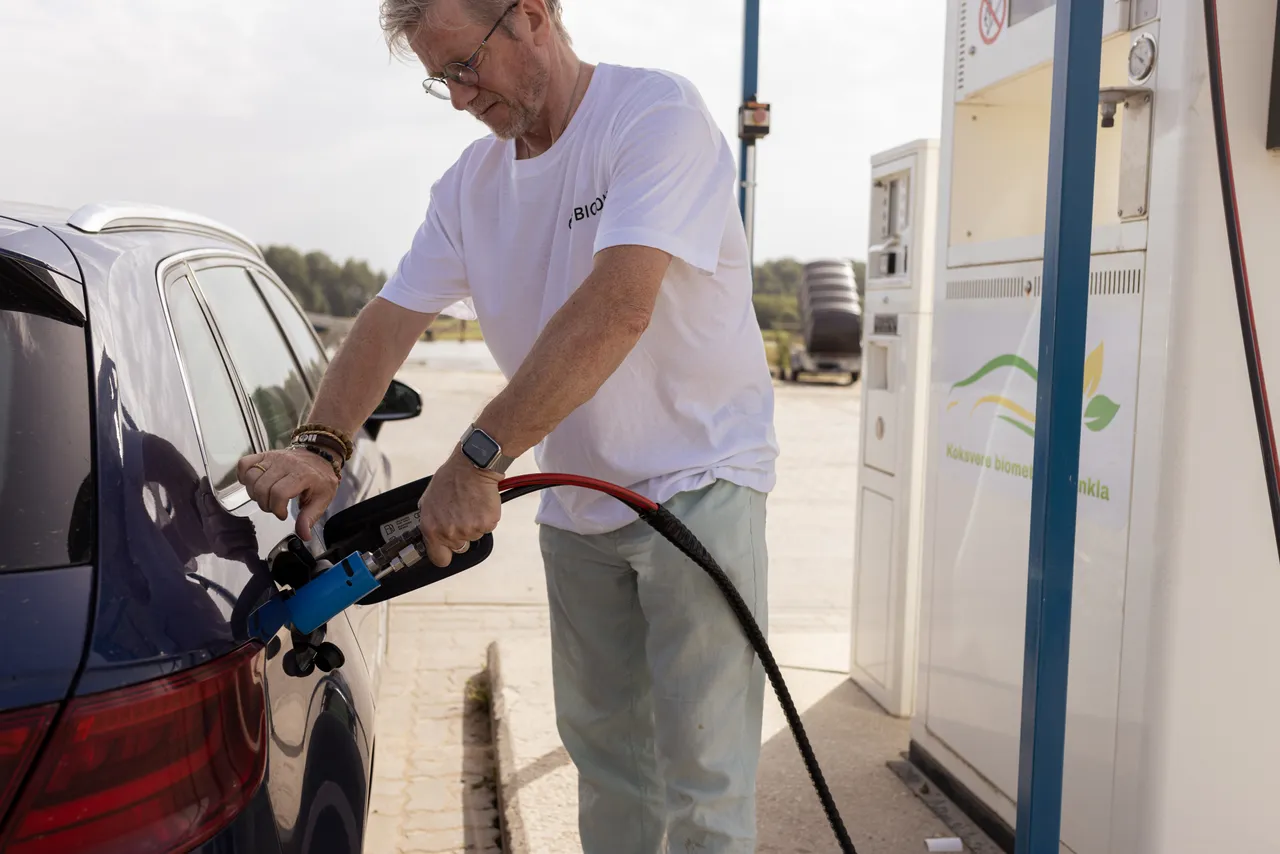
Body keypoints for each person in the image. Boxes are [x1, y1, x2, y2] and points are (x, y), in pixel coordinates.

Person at [235, 0, 779, 850]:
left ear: (531, 16)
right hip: (582, 504)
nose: (458, 97)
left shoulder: (652, 117)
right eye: (438, 80)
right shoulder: (471, 186)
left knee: (702, 782)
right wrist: (321, 444)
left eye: (464, 65)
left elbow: (618, 307)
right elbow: (388, 318)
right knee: (609, 768)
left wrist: (478, 457)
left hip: (699, 485)